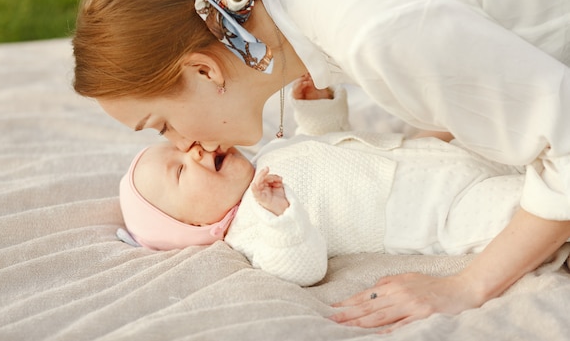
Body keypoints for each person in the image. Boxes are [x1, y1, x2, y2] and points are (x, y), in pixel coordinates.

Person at [72, 0, 570, 331]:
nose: (184, 145)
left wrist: (466, 286)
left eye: (162, 125)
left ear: (205, 70)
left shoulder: (372, 33)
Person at [119, 80, 528, 290]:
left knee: (511, 143)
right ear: (195, 226)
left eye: (181, 147)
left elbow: (324, 143)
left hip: (427, 158)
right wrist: (282, 218)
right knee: (515, 208)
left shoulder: (265, 160)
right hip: (433, 212)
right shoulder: (254, 228)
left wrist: (316, 107)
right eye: (179, 171)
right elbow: (304, 268)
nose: (191, 151)